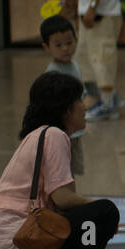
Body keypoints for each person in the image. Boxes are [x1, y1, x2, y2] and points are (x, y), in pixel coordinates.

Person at [0, 72, 120, 249]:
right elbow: (62, 198)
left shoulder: (36, 136)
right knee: (104, 212)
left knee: (90, 219)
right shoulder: (54, 135)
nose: (84, 108)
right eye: (79, 100)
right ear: (65, 109)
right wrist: (102, 215)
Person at [40, 14, 87, 176]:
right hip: (61, 133)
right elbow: (51, 106)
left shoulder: (75, 65)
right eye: (58, 45)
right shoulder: (53, 73)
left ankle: (71, 197)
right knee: (61, 171)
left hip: (75, 130)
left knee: (72, 170)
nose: (65, 48)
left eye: (69, 43)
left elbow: (81, 94)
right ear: (47, 47)